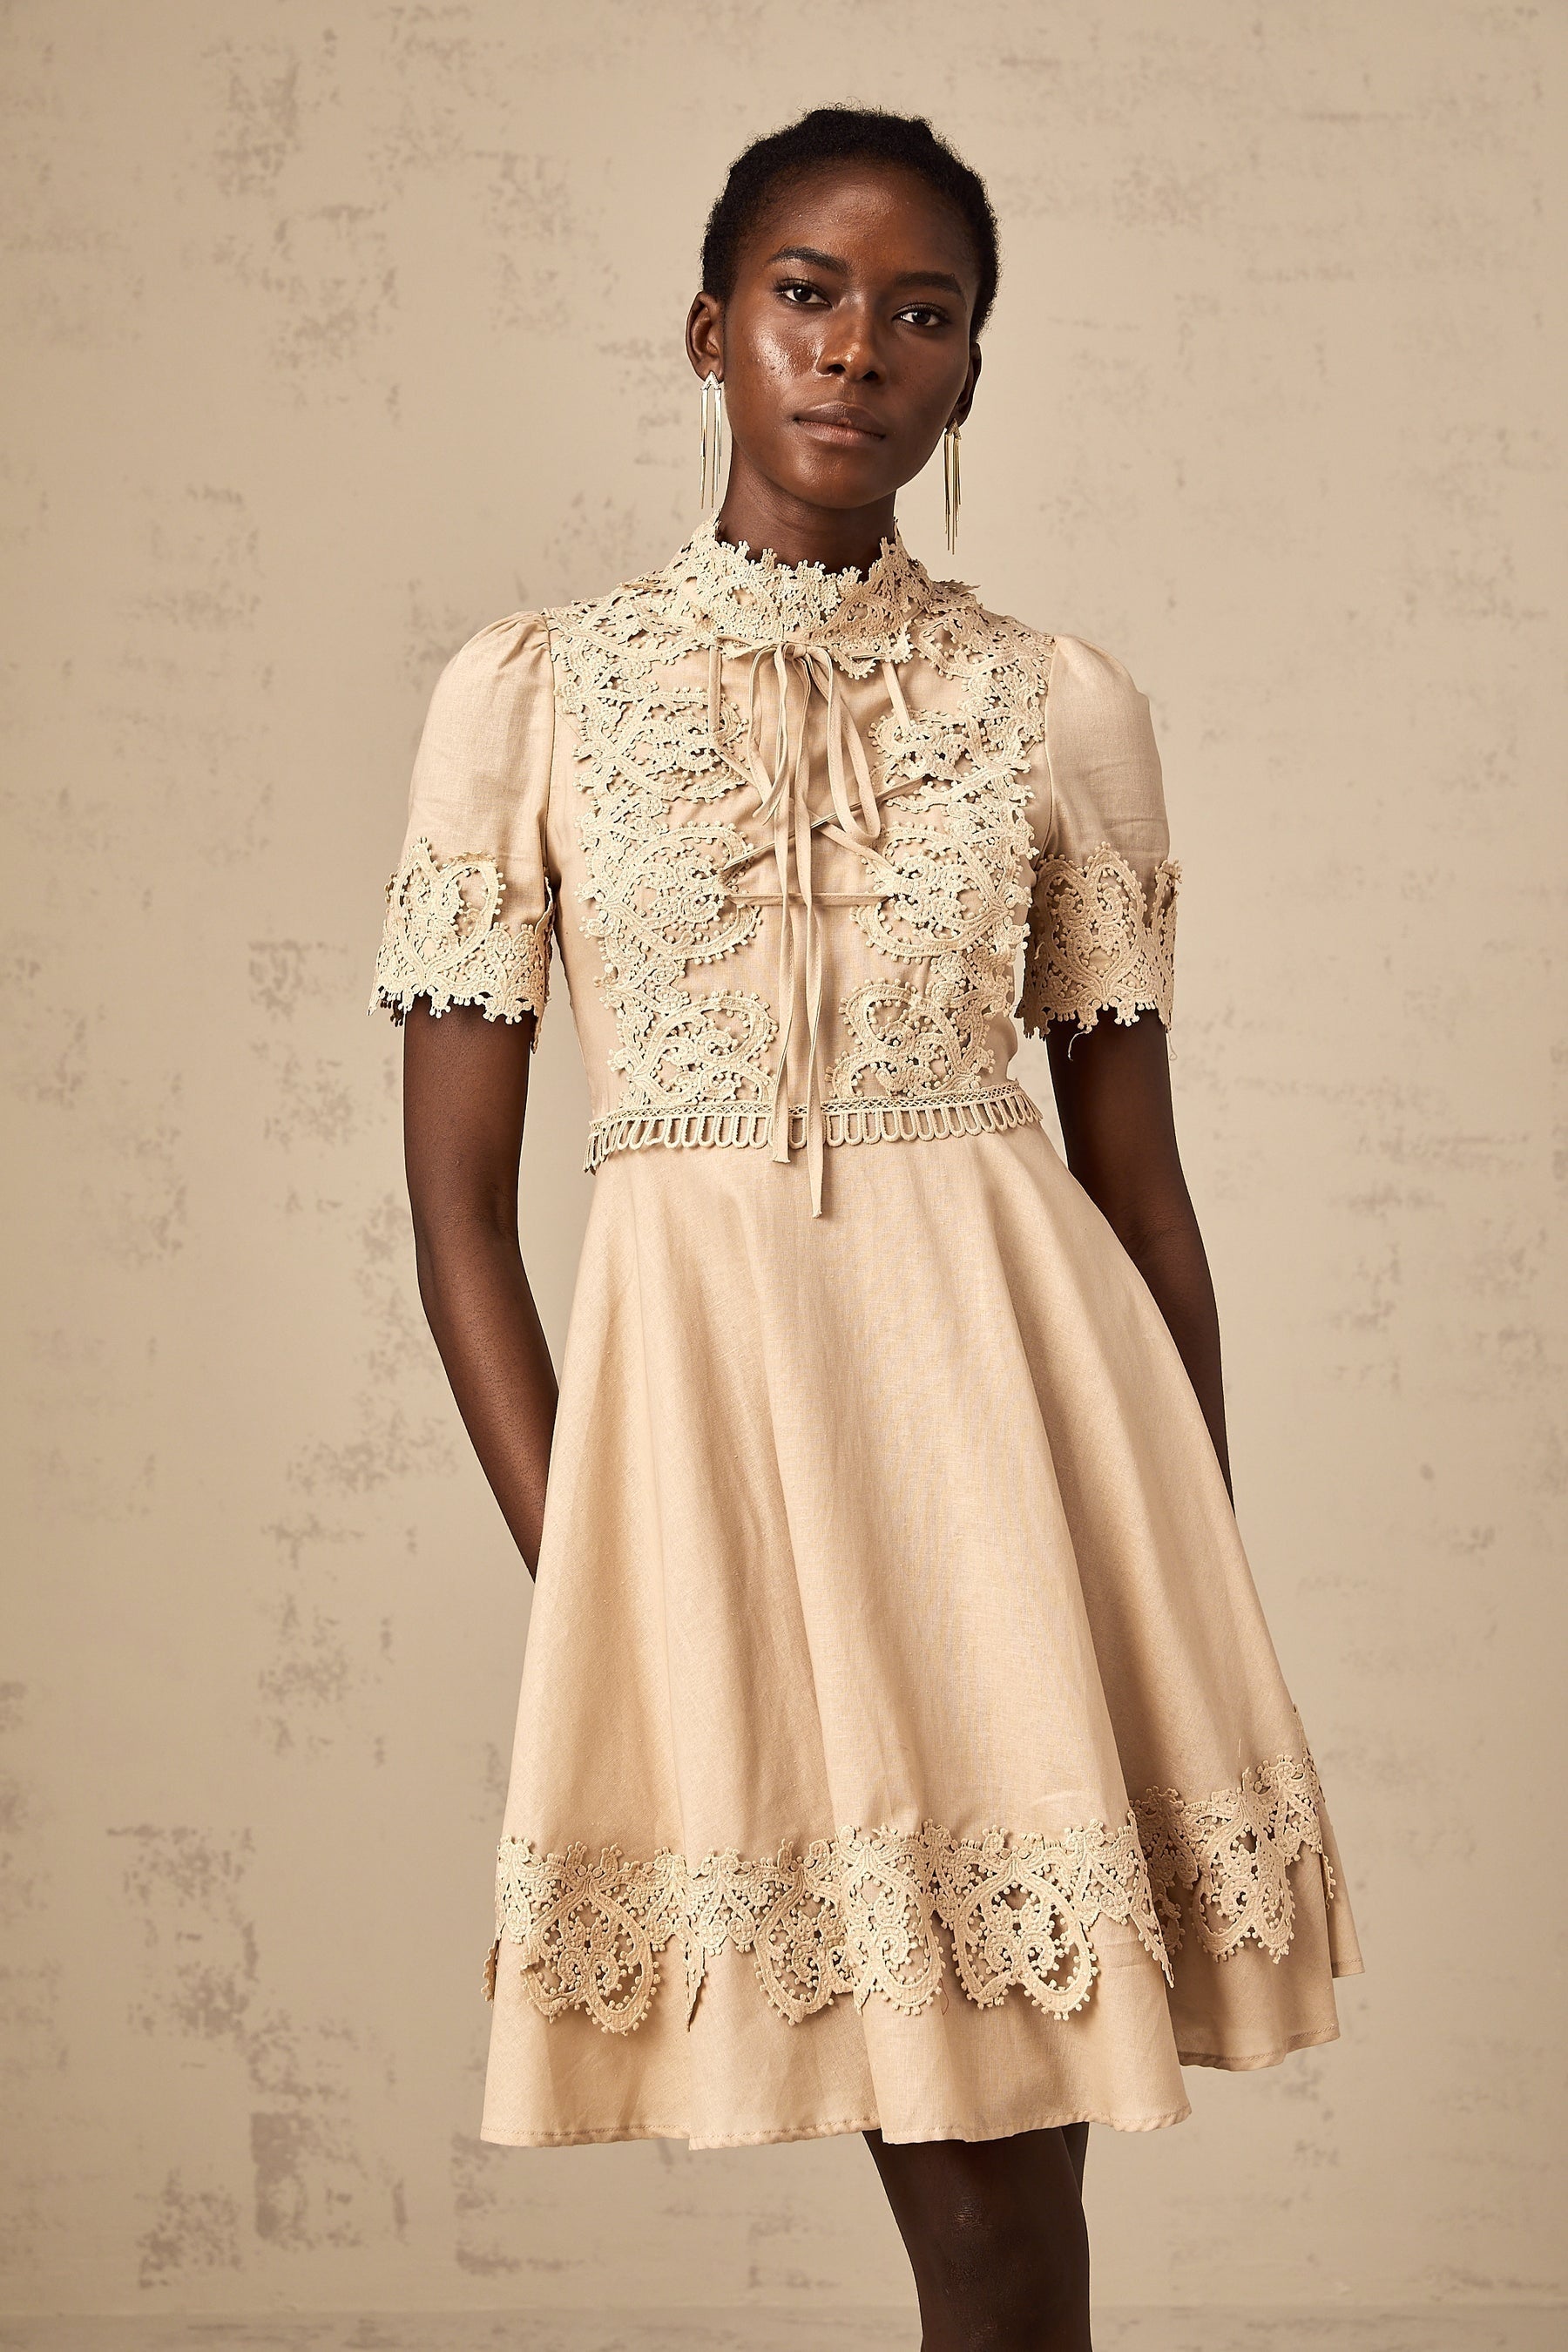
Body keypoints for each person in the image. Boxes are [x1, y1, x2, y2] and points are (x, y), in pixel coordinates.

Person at [372, 105, 1361, 2352]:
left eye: (923, 316)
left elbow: (1140, 1186)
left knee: (1012, 2176)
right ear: (711, 332)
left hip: (1018, 1460)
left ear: (974, 376)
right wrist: (592, 1543)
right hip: (713, 1455)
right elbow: (455, 1200)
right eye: (809, 298)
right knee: (935, 2138)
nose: (857, 355)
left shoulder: (1061, 709)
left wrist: (1175, 1547)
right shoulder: (530, 697)